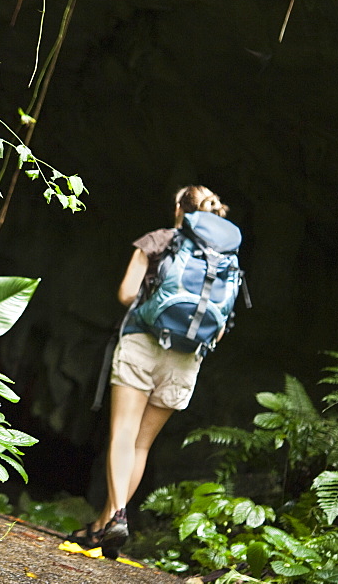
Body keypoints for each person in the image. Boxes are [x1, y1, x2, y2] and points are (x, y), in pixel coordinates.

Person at [72, 185, 230, 554]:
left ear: (178, 208)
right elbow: (221, 326)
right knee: (142, 445)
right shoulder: (225, 257)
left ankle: (117, 517)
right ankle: (103, 525)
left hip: (144, 342)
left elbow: (127, 294)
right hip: (187, 358)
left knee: (123, 436)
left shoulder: (158, 240)